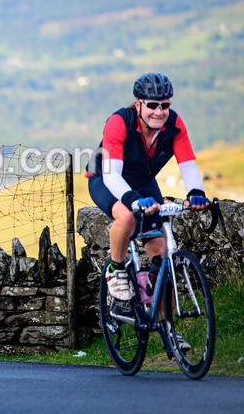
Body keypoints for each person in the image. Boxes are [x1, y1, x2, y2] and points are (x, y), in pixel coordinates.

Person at [86, 73, 210, 348]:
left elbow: (187, 164)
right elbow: (112, 175)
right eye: (153, 105)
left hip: (142, 180)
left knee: (161, 252)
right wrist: (132, 199)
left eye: (164, 105)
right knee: (127, 216)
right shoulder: (119, 122)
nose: (159, 111)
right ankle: (116, 271)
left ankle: (167, 329)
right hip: (105, 176)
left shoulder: (174, 125)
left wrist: (197, 194)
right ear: (138, 104)